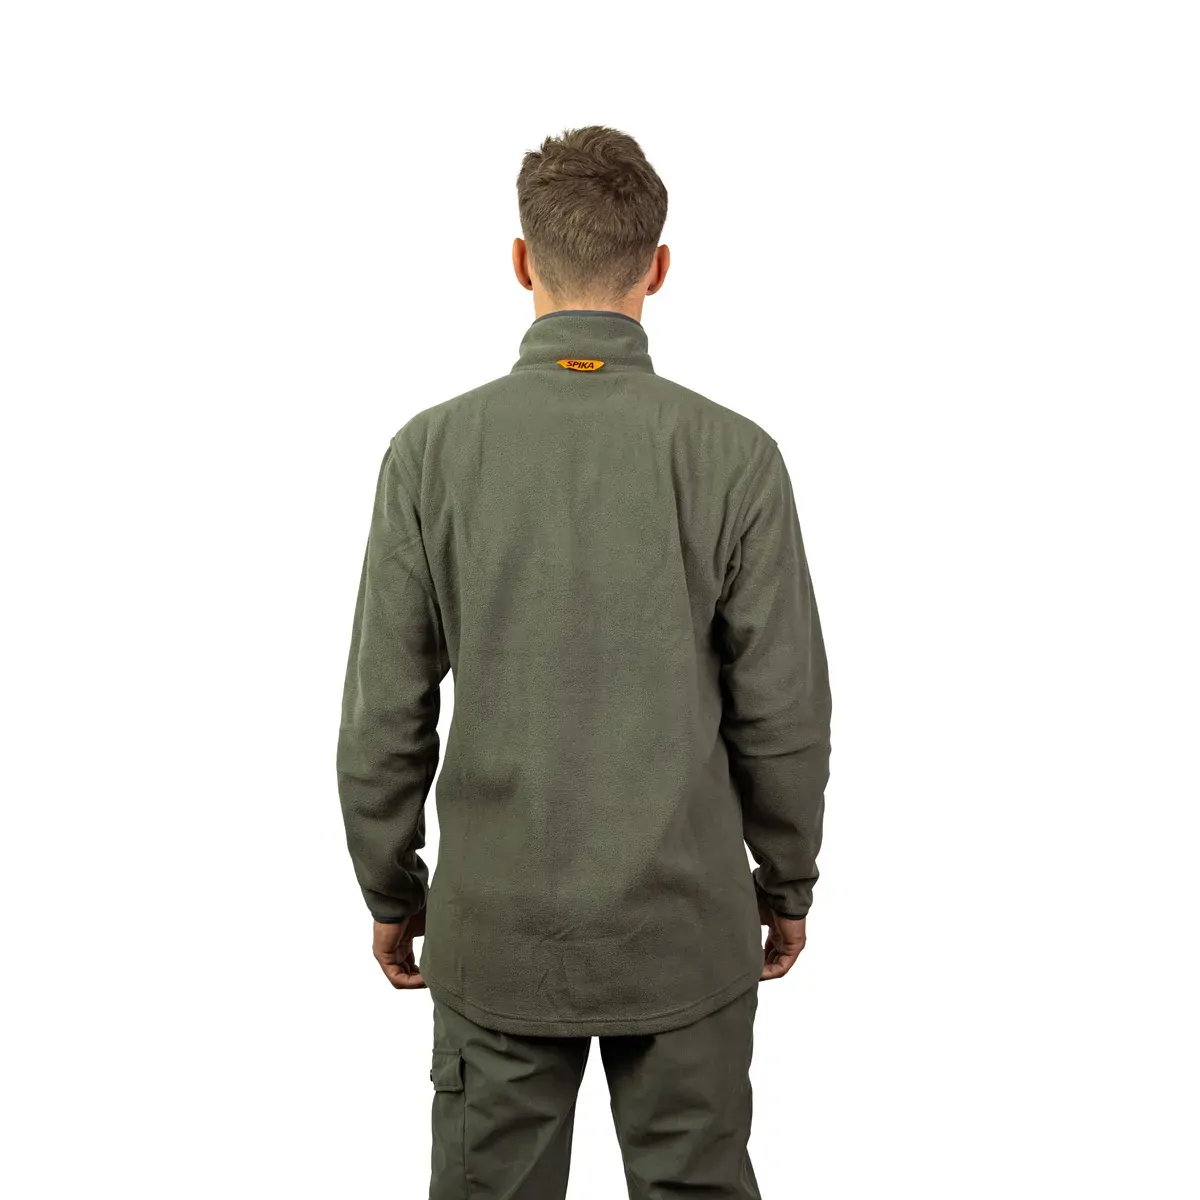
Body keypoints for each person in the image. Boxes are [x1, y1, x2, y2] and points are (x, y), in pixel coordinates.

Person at [335, 125, 832, 1200]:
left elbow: (384, 714)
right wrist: (787, 882)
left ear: (522, 262)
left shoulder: (430, 453)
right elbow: (784, 712)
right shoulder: (735, 457)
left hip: (497, 932)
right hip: (686, 928)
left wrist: (391, 886)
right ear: (659, 267)